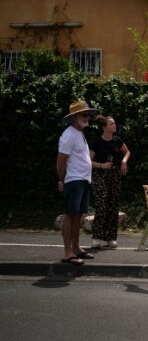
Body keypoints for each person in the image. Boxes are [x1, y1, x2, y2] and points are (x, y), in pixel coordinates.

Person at [56, 100, 98, 265]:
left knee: (78, 215)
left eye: (88, 115)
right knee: (69, 215)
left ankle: (76, 248)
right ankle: (68, 252)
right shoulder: (68, 135)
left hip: (82, 180)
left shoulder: (79, 133)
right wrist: (63, 180)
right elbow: (61, 161)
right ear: (74, 117)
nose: (87, 117)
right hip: (74, 180)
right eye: (84, 114)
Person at [89, 115, 130, 248]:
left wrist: (124, 161)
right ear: (104, 127)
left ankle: (110, 237)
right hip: (100, 176)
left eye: (114, 124)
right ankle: (96, 237)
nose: (114, 126)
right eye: (111, 124)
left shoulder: (117, 140)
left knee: (113, 206)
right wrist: (102, 165)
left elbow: (127, 152)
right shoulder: (95, 143)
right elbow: (88, 162)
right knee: (102, 204)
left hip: (114, 176)